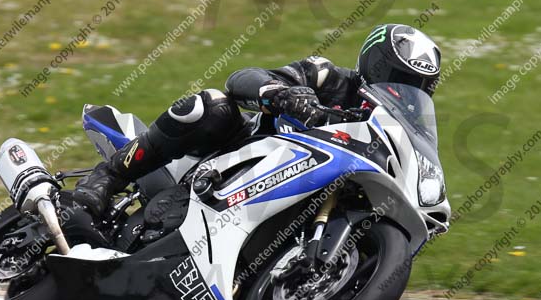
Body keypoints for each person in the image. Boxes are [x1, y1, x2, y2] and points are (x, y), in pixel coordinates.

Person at [73, 23, 442, 217]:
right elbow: (242, 79)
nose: (402, 90)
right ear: (374, 65)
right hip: (231, 160)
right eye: (396, 77)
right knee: (211, 105)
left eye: (416, 86)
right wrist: (285, 95)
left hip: (287, 196)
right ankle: (107, 177)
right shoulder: (328, 77)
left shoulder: (392, 134)